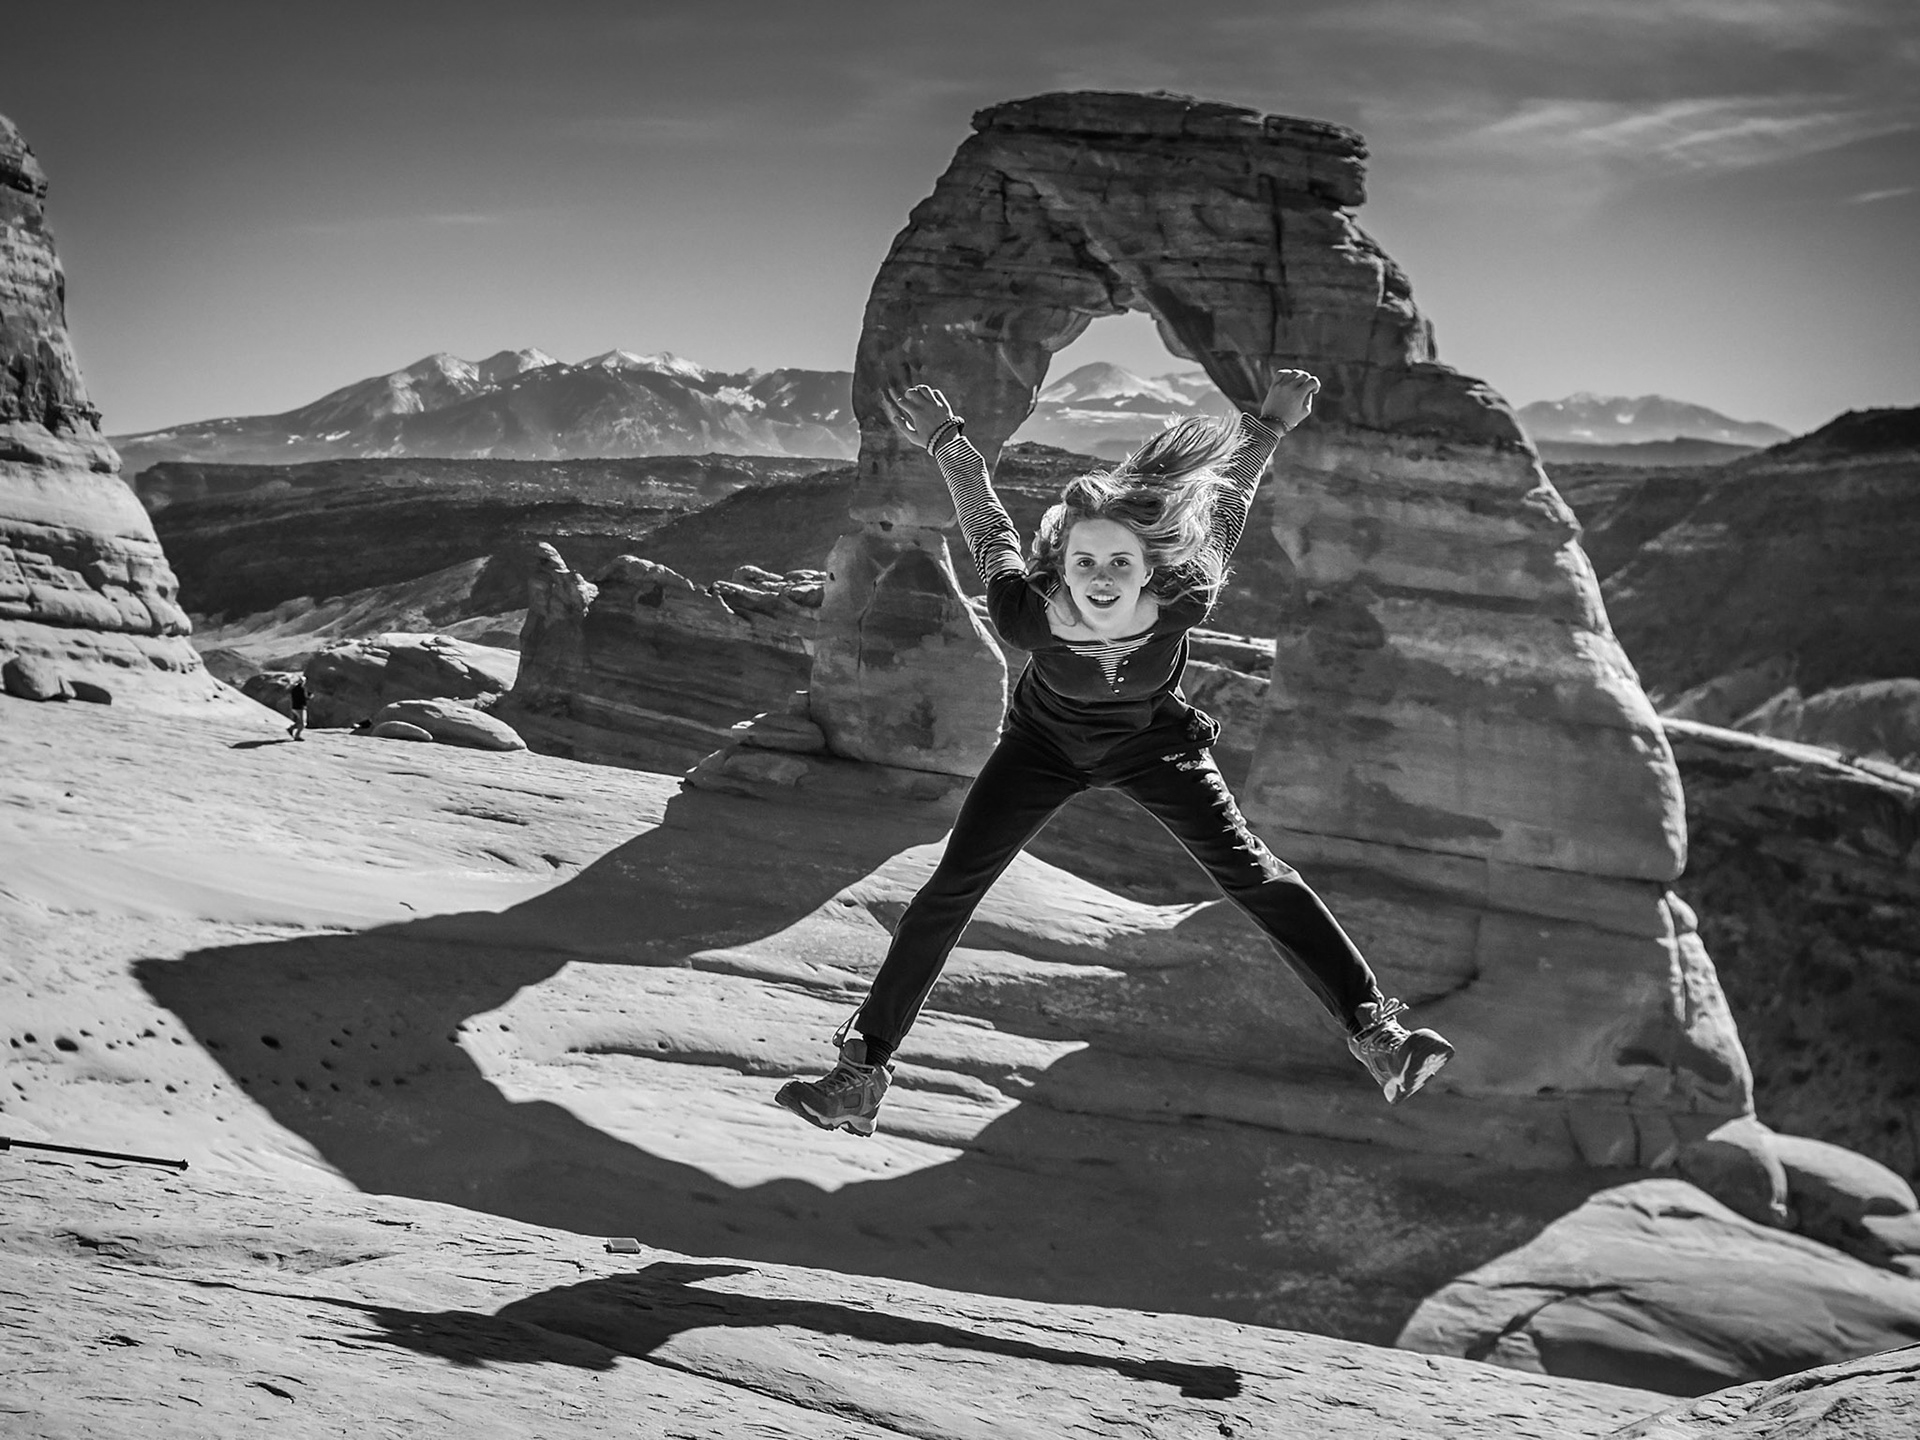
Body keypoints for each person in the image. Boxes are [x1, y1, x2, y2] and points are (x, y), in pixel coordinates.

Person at [775, 368, 1454, 1138]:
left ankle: (1380, 1039)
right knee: (948, 893)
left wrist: (1267, 427)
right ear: (1059, 567)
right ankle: (861, 1074)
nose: (1102, 579)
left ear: (1151, 566)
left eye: (1121, 563)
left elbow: (1226, 502)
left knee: (1257, 875)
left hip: (1154, 747)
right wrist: (945, 440)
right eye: (1085, 563)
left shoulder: (1188, 592)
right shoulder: (1024, 612)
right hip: (1041, 749)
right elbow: (988, 525)